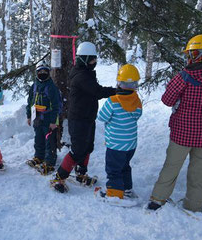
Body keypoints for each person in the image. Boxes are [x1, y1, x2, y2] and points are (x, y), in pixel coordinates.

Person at [146, 35, 202, 212]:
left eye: (191, 53)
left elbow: (167, 100)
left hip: (182, 133)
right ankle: (194, 206)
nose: (189, 57)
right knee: (199, 171)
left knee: (171, 167)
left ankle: (157, 200)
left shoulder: (185, 76)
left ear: (197, 54)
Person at [50, 42, 116, 193]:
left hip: (87, 117)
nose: (95, 63)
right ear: (85, 60)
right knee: (78, 150)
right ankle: (58, 177)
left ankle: (81, 173)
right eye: (92, 60)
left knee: (88, 147)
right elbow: (98, 91)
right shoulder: (81, 76)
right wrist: (116, 91)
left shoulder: (85, 72)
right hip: (79, 119)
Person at [96, 64, 142, 200]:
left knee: (113, 169)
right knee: (125, 166)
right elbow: (138, 115)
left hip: (116, 144)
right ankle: (127, 189)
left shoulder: (113, 101)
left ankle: (115, 193)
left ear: (119, 83)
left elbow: (101, 117)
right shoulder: (136, 100)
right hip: (130, 144)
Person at [26, 61, 61, 174]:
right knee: (38, 138)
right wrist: (28, 115)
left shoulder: (51, 87)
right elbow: (30, 101)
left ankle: (50, 162)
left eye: (45, 71)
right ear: (36, 73)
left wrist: (53, 121)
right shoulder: (34, 86)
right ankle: (39, 157)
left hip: (49, 118)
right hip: (37, 117)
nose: (42, 73)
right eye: (40, 71)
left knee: (49, 140)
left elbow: (56, 105)